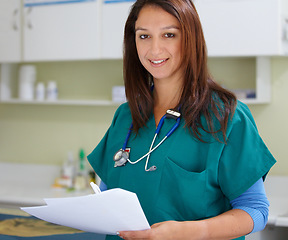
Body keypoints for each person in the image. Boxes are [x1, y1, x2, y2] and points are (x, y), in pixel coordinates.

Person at [87, 0, 276, 239]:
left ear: (190, 39)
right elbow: (107, 195)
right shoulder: (126, 116)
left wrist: (189, 231)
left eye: (169, 35)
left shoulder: (227, 117)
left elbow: (256, 210)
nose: (154, 50)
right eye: (144, 36)